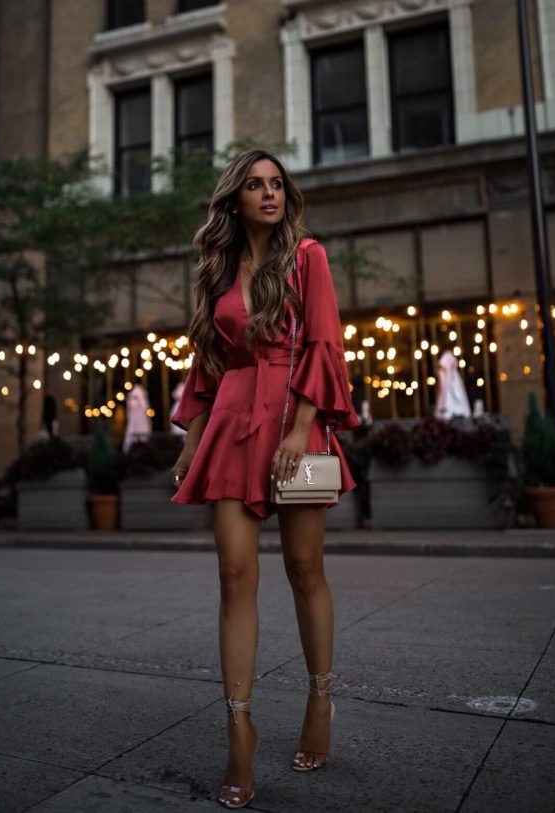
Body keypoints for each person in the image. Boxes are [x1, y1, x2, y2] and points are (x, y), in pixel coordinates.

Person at [170, 149, 359, 809]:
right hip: (230, 426)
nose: (269, 193)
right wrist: (191, 440)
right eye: (255, 185)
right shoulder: (217, 271)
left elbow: (323, 341)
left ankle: (320, 696)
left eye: (277, 183)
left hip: (296, 425)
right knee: (233, 575)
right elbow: (207, 362)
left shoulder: (307, 255)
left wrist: (298, 426)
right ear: (235, 199)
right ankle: (239, 724)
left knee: (306, 569)